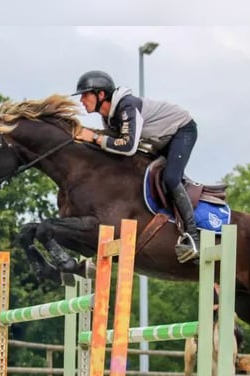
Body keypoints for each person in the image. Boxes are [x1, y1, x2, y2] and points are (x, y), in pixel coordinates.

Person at [72, 70, 200, 263]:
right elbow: (111, 142)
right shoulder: (110, 115)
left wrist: (96, 137)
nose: (82, 99)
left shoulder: (127, 107)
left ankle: (193, 237)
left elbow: (127, 145)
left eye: (85, 94)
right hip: (159, 138)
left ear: (101, 95)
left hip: (181, 131)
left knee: (171, 178)